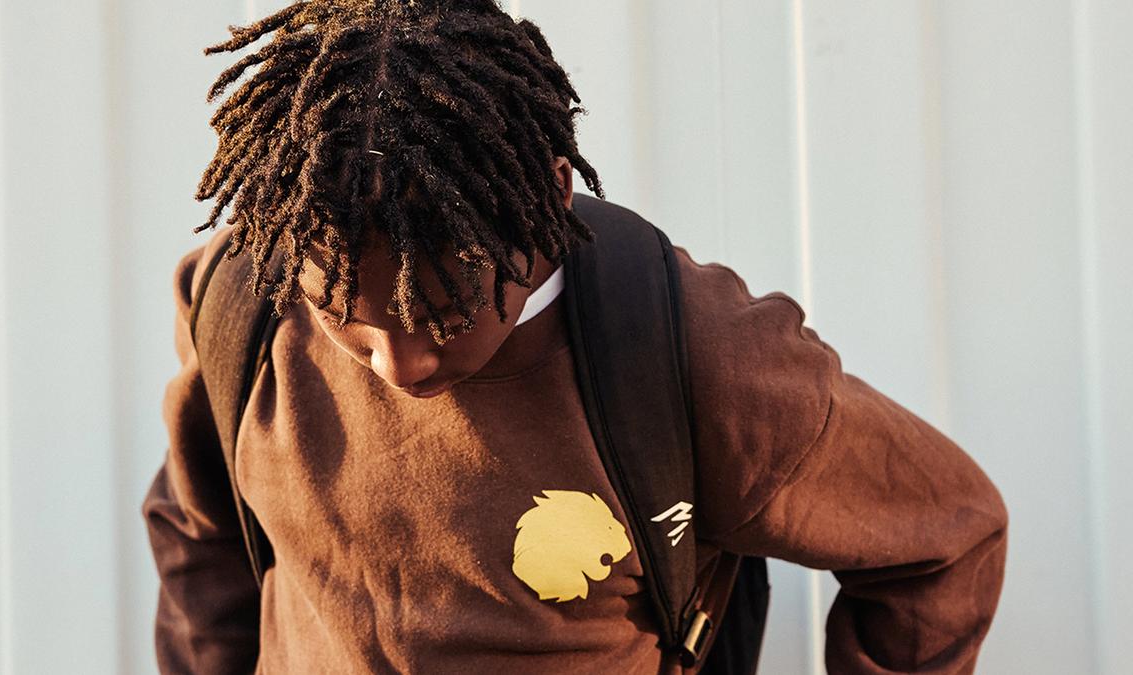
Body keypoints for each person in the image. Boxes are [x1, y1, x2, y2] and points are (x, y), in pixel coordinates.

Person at [141, 1, 1008, 673]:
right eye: (350, 324)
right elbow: (200, 531)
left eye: (445, 313)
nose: (400, 364)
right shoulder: (245, 303)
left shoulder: (699, 359)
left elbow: (946, 532)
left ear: (552, 196)